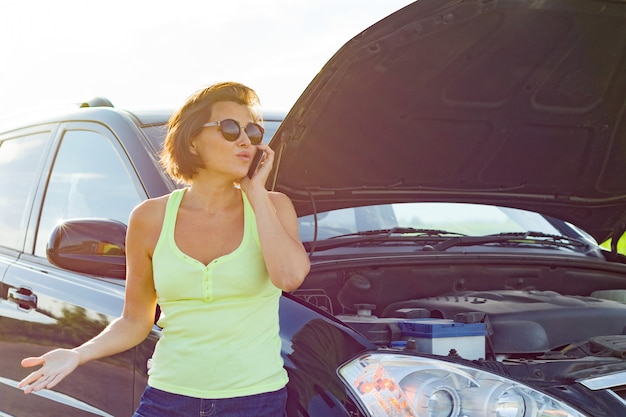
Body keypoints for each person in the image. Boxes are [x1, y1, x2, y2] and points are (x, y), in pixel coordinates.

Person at [18, 81, 311, 416]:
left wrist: (256, 192)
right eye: (230, 128)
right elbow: (134, 320)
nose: (245, 140)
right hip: (169, 399)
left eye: (253, 132)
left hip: (255, 402)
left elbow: (289, 276)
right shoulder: (150, 218)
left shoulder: (273, 206)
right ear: (193, 141)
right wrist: (77, 354)